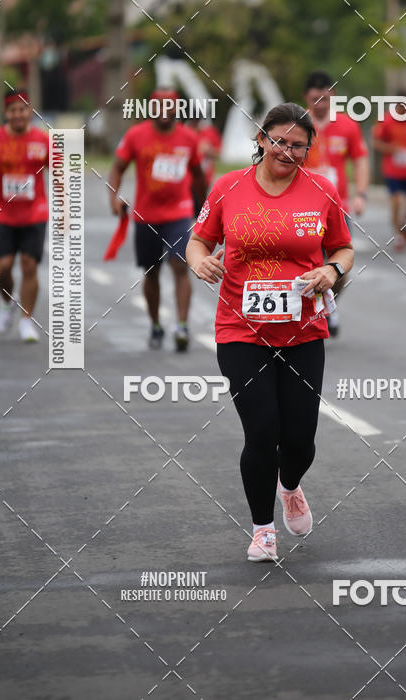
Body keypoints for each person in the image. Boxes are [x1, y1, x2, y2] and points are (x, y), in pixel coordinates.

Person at [186, 103, 354, 562]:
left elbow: (342, 246)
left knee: (299, 440)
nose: (288, 151)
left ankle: (291, 485)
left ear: (308, 150)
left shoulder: (322, 190)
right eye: (279, 141)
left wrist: (332, 270)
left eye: (298, 145)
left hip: (303, 330)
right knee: (262, 431)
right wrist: (200, 260)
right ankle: (263, 530)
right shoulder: (228, 188)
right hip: (241, 330)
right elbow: (199, 238)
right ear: (261, 139)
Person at [108, 89, 206, 351]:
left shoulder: (188, 138)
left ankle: (182, 325)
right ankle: (155, 325)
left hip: (179, 214)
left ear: (177, 109)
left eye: (169, 106)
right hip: (146, 217)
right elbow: (117, 168)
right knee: (152, 273)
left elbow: (198, 175)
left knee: (180, 265)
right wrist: (114, 198)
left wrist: (205, 208)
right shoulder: (136, 136)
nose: (164, 110)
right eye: (158, 106)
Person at [0, 89, 48, 343]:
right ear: (6, 113)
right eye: (13, 110)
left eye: (22, 109)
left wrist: (64, 208)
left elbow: (61, 175)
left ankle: (27, 320)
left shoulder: (43, 140)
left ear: (29, 111)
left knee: (30, 266)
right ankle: (7, 302)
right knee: (2, 268)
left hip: (35, 213)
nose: (18, 115)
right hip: (3, 215)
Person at [303, 70, 368, 336]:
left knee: (338, 266)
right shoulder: (298, 124)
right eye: (315, 97)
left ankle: (328, 306)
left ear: (334, 96)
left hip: (336, 208)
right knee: (304, 264)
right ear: (307, 97)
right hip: (302, 209)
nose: (321, 102)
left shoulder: (347, 125)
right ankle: (305, 313)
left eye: (326, 96)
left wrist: (361, 193)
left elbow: (360, 159)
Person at [373, 100, 406, 251]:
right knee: (396, 201)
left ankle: (404, 223)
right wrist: (390, 148)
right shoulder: (386, 120)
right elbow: (376, 142)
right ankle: (399, 235)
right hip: (393, 170)